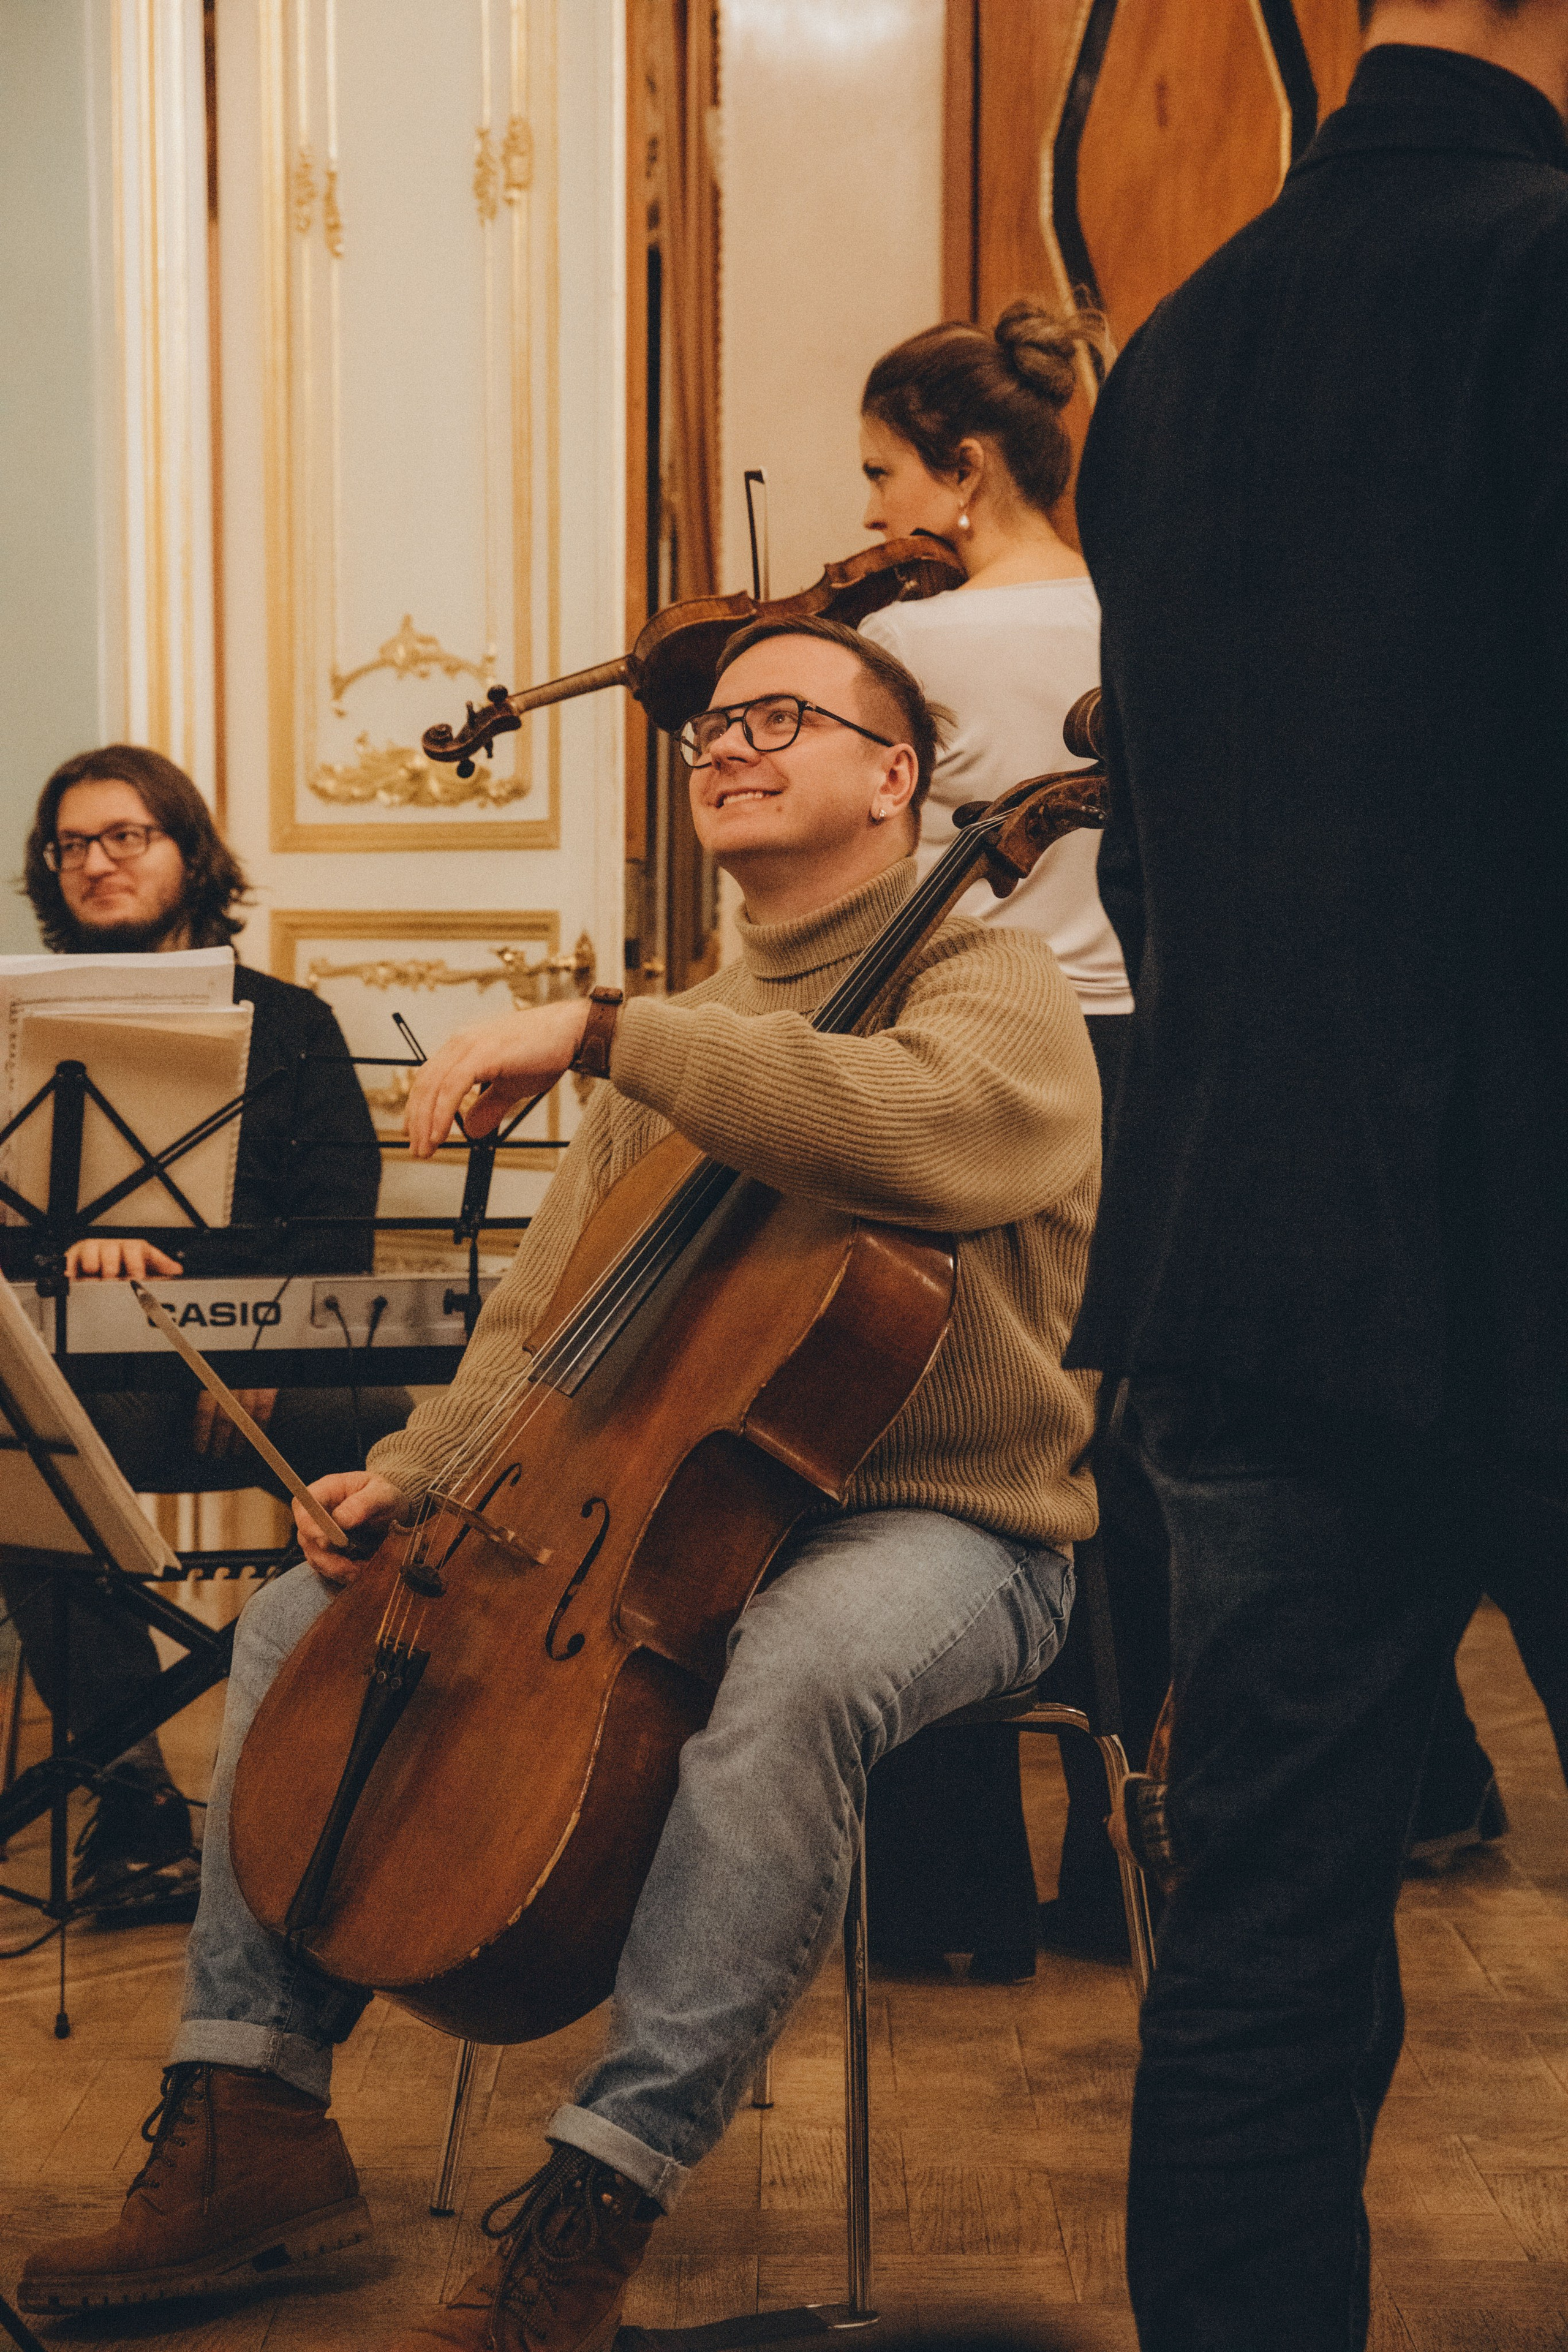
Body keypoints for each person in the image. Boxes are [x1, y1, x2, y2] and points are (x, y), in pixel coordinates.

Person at [17, 619, 1102, 2350]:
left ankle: (599, 2201)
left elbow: (922, 1132)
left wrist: (610, 1031)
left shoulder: (985, 982)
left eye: (777, 718)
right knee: (306, 1612)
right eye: (709, 731)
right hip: (652, 1509)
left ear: (896, 776)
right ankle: (254, 2124)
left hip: (946, 1525)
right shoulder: (685, 1023)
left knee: (793, 1670)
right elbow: (544, 1321)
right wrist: (404, 1477)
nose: (726, 746)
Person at [1065, 3, 1568, 2345]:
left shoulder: (1173, 358)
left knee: (1261, 1952)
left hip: (1257, 1265)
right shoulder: (1544, 269)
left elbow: (1150, 871)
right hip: (1533, 1237)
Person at [858, 303, 1164, 1967]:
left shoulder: (923, 653)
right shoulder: (1153, 615)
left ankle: (950, 1902)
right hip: (1136, 1070)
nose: (875, 520)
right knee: (1123, 1468)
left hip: (980, 1065)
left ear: (965, 472)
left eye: (887, 476)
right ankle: (1129, 1877)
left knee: (938, 1456)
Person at [0, 745, 404, 1917]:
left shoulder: (290, 1025)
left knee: (383, 1437)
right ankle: (132, 1804)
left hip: (275, 1370)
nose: (96, 863)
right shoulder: (18, 1029)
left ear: (188, 850)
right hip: (93, 1377)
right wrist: (73, 1251)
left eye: (126, 836)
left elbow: (336, 1241)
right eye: (71, 844)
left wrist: (220, 1325)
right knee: (18, 1459)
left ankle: (312, 1794)